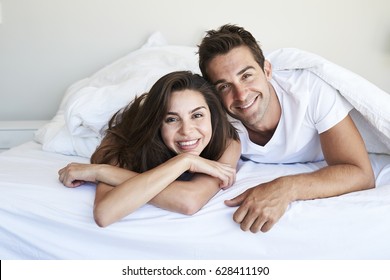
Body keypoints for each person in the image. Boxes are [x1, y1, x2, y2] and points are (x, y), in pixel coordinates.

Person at [197, 24, 375, 233]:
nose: (242, 95)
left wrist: (285, 188)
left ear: (267, 70)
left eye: (246, 76)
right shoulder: (216, 119)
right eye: (224, 86)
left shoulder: (309, 91)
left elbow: (362, 174)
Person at [58, 71, 241, 227]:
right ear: (157, 124)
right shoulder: (129, 140)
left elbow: (189, 201)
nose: (187, 131)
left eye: (197, 115)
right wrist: (186, 161)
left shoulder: (227, 142)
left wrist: (102, 172)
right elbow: (105, 214)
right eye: (171, 119)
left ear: (212, 115)